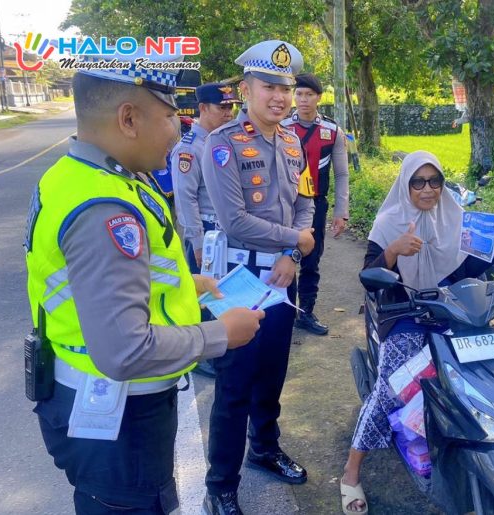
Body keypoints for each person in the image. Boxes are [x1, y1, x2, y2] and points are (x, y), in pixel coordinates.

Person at [25, 50, 264, 515]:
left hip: (93, 405)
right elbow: (124, 350)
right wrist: (221, 335)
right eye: (172, 115)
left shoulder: (80, 174)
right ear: (129, 118)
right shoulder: (105, 210)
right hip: (118, 418)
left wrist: (185, 283)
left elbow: (95, 281)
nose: (179, 130)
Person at [339, 151, 494, 514]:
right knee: (390, 389)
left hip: (452, 309)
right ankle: (351, 472)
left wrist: (492, 244)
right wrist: (393, 252)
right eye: (419, 182)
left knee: (486, 374)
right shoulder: (388, 222)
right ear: (406, 185)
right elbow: (369, 278)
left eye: (435, 181)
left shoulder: (457, 217)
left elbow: (470, 271)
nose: (428, 190)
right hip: (406, 311)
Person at [200, 39, 316, 515]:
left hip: (282, 278)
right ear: (245, 88)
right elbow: (235, 222)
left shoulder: (292, 141)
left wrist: (293, 251)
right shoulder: (222, 144)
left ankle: (264, 449)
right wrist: (296, 239)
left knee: (271, 376)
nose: (280, 97)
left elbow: (307, 200)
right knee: (234, 387)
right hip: (239, 277)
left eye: (286, 88)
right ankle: (221, 483)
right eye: (269, 86)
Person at [172, 82, 240, 378]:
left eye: (231, 107)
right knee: (202, 295)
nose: (228, 113)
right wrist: (197, 243)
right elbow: (186, 201)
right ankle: (200, 354)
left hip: (226, 233)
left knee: (221, 292)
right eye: (221, 107)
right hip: (206, 234)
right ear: (202, 108)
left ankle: (221, 343)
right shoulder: (188, 150)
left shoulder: (226, 141)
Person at [281, 73, 350, 335]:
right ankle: (283, 312)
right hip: (285, 204)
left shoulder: (332, 131)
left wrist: (341, 212)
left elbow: (342, 174)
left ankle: (306, 312)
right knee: (283, 255)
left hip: (316, 204)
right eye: (298, 94)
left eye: (309, 94)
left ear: (319, 97)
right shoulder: (283, 127)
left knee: (311, 260)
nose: (303, 99)